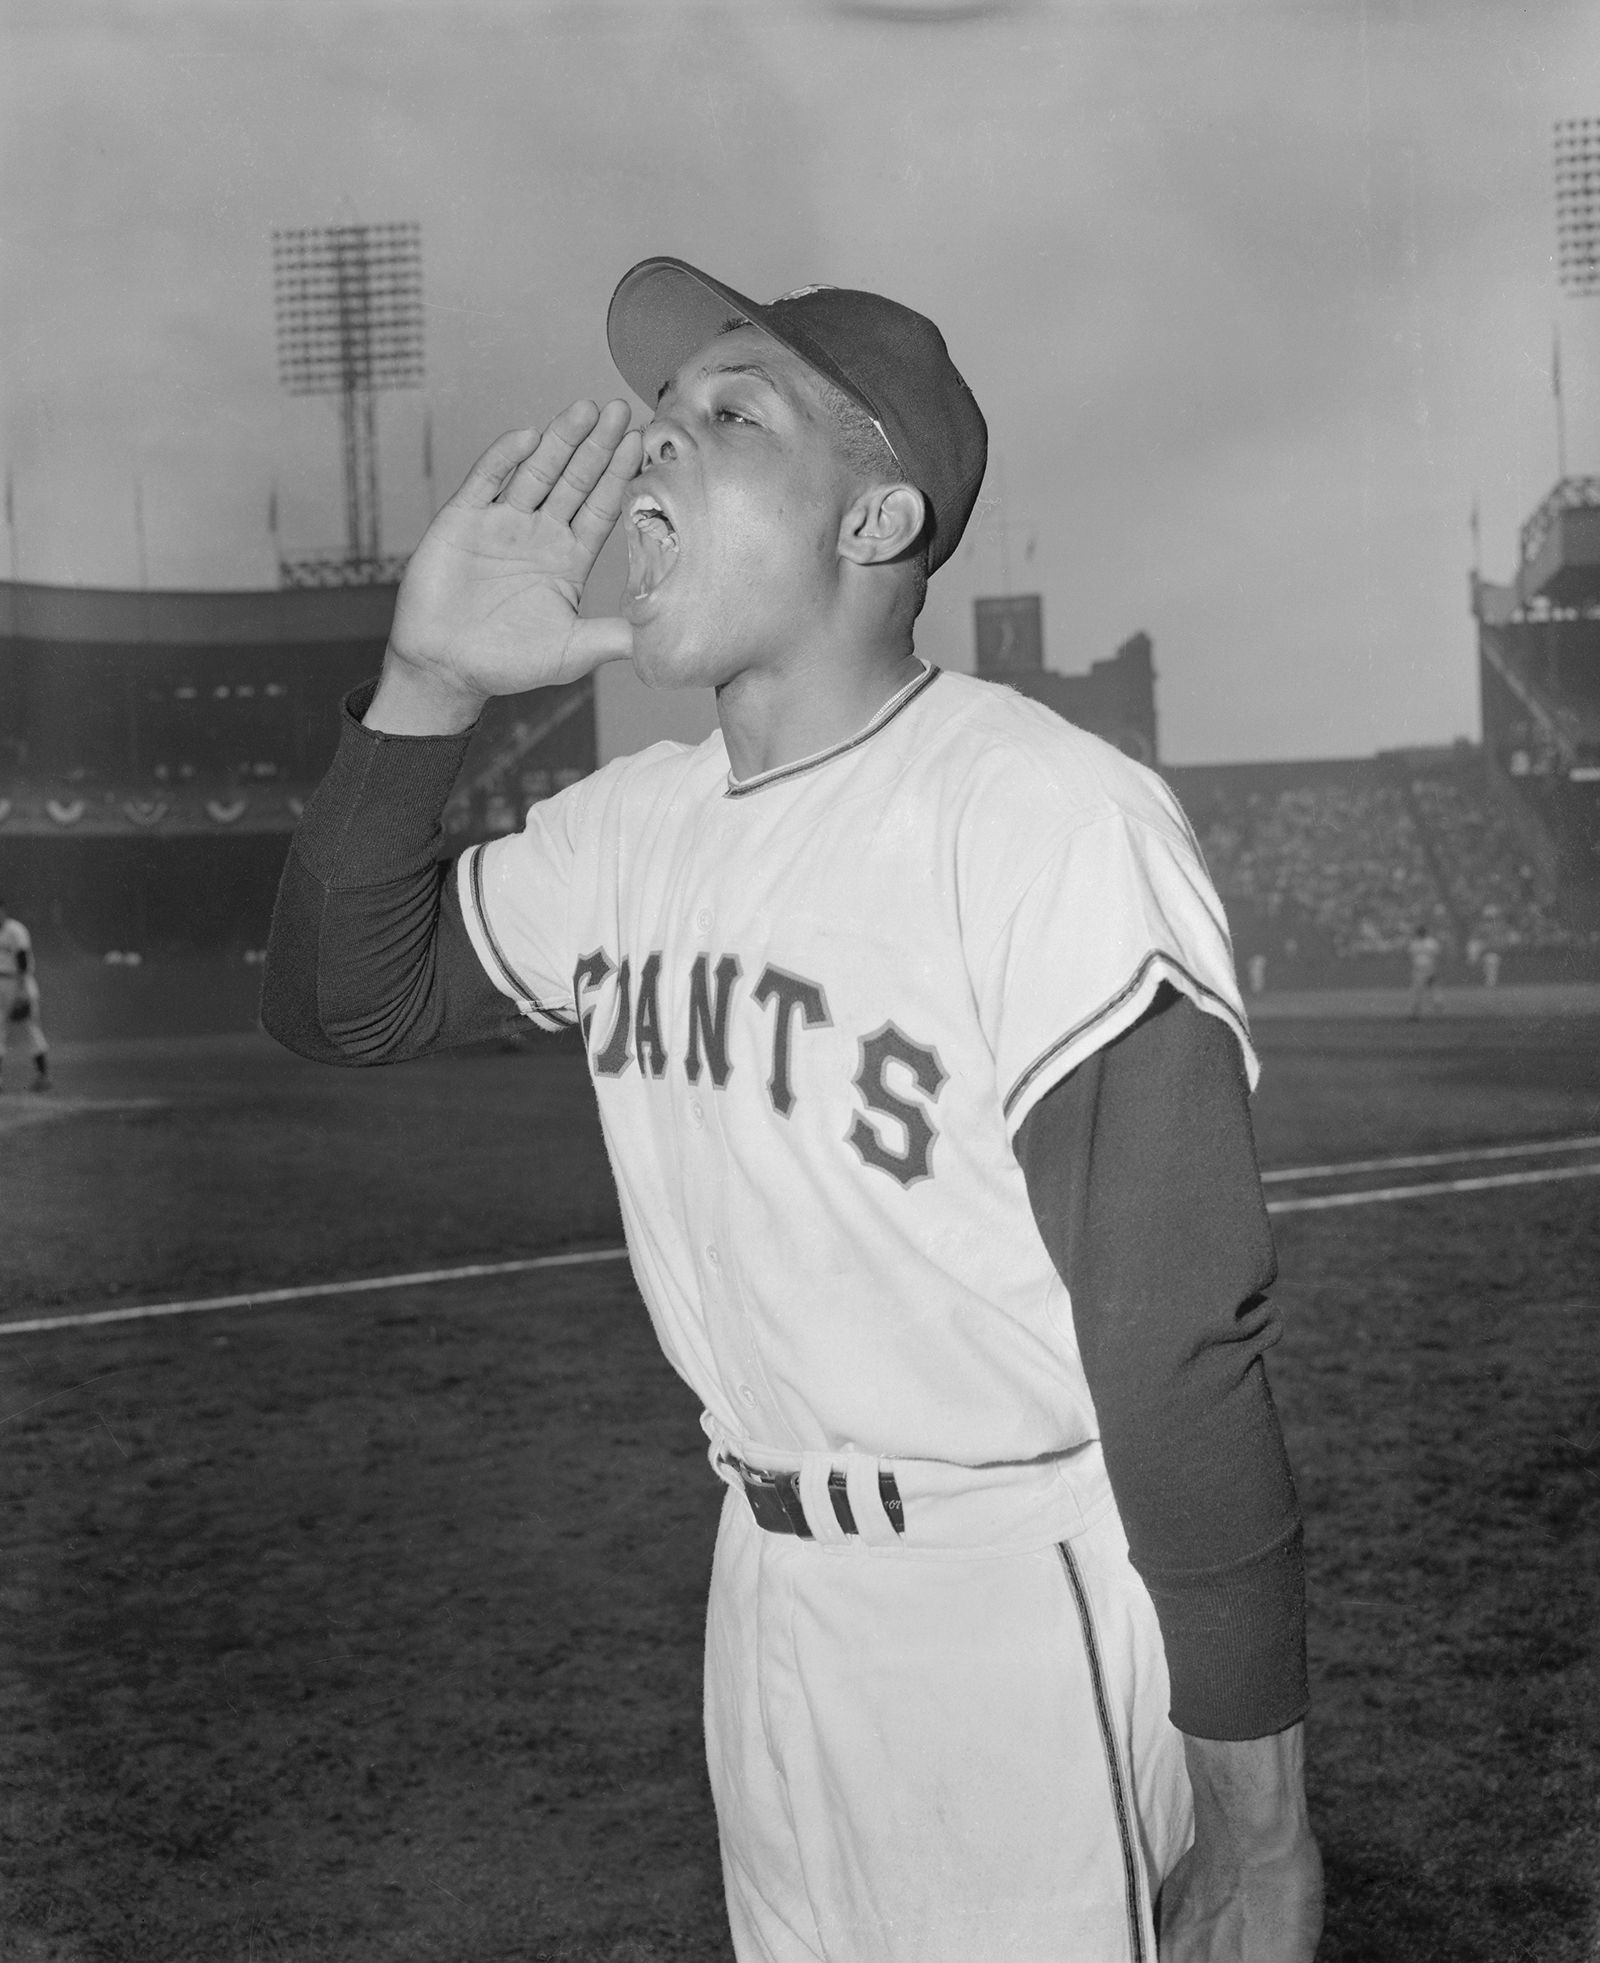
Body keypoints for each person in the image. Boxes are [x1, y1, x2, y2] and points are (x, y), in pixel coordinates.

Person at [262, 259, 1321, 1962]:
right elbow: (339, 997)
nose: (652, 455)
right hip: (762, 1594)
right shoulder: (635, 830)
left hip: (1008, 1605)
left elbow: (1177, 1333)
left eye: (730, 415)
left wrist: (1262, 1831)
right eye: (660, 420)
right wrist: (426, 688)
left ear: (877, 515)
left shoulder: (1038, 815)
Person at [0, 899, 51, 1093]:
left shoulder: (15, 930)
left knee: (31, 1027)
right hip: (1, 983)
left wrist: (21, 992)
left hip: (20, 981)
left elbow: (22, 960)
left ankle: (43, 1076)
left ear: (3, 910)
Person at [1406, 923, 1442, 1019]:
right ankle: (1417, 1012)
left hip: (1424, 969)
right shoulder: (1431, 942)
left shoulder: (1417, 943)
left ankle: (1416, 1012)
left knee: (1421, 990)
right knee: (1428, 989)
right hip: (1424, 968)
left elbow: (1436, 956)